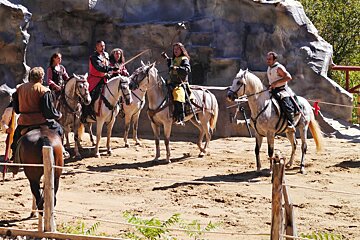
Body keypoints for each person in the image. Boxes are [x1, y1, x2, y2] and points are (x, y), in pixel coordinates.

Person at [10, 67, 69, 160]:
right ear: (41, 77)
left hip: (24, 122)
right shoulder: (44, 90)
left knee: (16, 137)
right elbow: (48, 112)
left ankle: (14, 155)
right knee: (59, 129)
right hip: (40, 121)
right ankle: (62, 151)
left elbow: (16, 109)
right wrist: (58, 115)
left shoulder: (20, 88)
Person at [81, 40, 118, 122]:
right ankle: (86, 114)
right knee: (91, 96)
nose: (103, 48)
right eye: (101, 46)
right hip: (94, 80)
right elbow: (100, 67)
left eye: (104, 46)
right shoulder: (94, 57)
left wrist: (115, 68)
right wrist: (111, 69)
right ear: (96, 47)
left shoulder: (106, 55)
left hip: (105, 79)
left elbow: (108, 65)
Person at [161, 42, 191, 125]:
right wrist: (165, 57)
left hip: (180, 84)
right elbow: (170, 62)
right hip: (171, 83)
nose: (176, 50)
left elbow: (186, 70)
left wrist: (176, 68)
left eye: (178, 49)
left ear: (181, 50)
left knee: (178, 96)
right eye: (174, 49)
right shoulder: (174, 59)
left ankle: (180, 117)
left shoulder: (184, 59)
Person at [266, 51, 296, 131]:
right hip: (273, 90)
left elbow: (288, 77)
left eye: (270, 59)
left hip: (282, 90)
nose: (268, 61)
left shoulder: (279, 68)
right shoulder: (269, 67)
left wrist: (276, 83)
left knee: (285, 105)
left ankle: (291, 123)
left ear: (274, 60)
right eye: (267, 59)